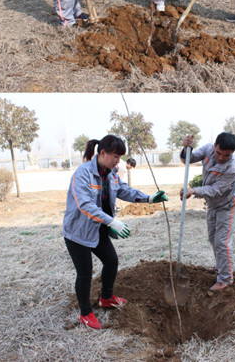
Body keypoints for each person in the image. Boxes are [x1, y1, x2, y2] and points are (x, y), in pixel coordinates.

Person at [63, 135, 167, 330]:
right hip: (77, 232)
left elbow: (124, 190)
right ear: (102, 153)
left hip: (98, 227)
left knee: (111, 261)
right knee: (85, 273)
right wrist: (112, 221)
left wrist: (149, 198)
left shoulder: (111, 173)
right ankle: (85, 313)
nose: (118, 161)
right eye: (116, 157)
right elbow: (84, 205)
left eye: (120, 158)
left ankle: (106, 297)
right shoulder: (82, 174)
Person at [179, 132, 235, 292]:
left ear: (232, 153)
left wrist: (193, 191)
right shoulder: (207, 149)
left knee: (222, 241)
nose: (221, 157)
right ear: (214, 146)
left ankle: (225, 278)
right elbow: (187, 160)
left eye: (226, 155)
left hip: (227, 205)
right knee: (213, 239)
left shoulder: (233, 167)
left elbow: (215, 190)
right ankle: (220, 267)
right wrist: (186, 148)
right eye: (219, 153)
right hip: (213, 205)